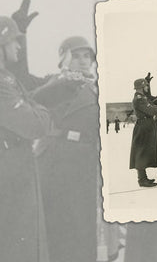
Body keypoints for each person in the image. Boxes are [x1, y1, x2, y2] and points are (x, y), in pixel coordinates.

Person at [31, 36, 105, 262]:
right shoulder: (54, 82)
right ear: (64, 58)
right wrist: (63, 81)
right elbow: (31, 92)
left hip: (84, 164)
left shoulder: (97, 89)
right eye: (76, 55)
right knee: (55, 229)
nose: (84, 61)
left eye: (87, 56)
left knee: (82, 229)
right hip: (53, 162)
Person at [0, 15, 51, 261]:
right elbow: (35, 126)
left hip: (13, 167)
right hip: (9, 172)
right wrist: (40, 110)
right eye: (14, 41)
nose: (18, 46)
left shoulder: (6, 78)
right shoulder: (1, 83)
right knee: (18, 243)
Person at [129, 78, 157, 187]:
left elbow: (151, 105)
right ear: (142, 87)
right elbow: (152, 110)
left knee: (143, 152)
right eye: (146, 86)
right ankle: (142, 180)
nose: (147, 88)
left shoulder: (142, 97)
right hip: (144, 126)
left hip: (146, 125)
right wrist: (155, 108)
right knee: (141, 153)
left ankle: (143, 178)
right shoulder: (139, 98)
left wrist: (153, 107)